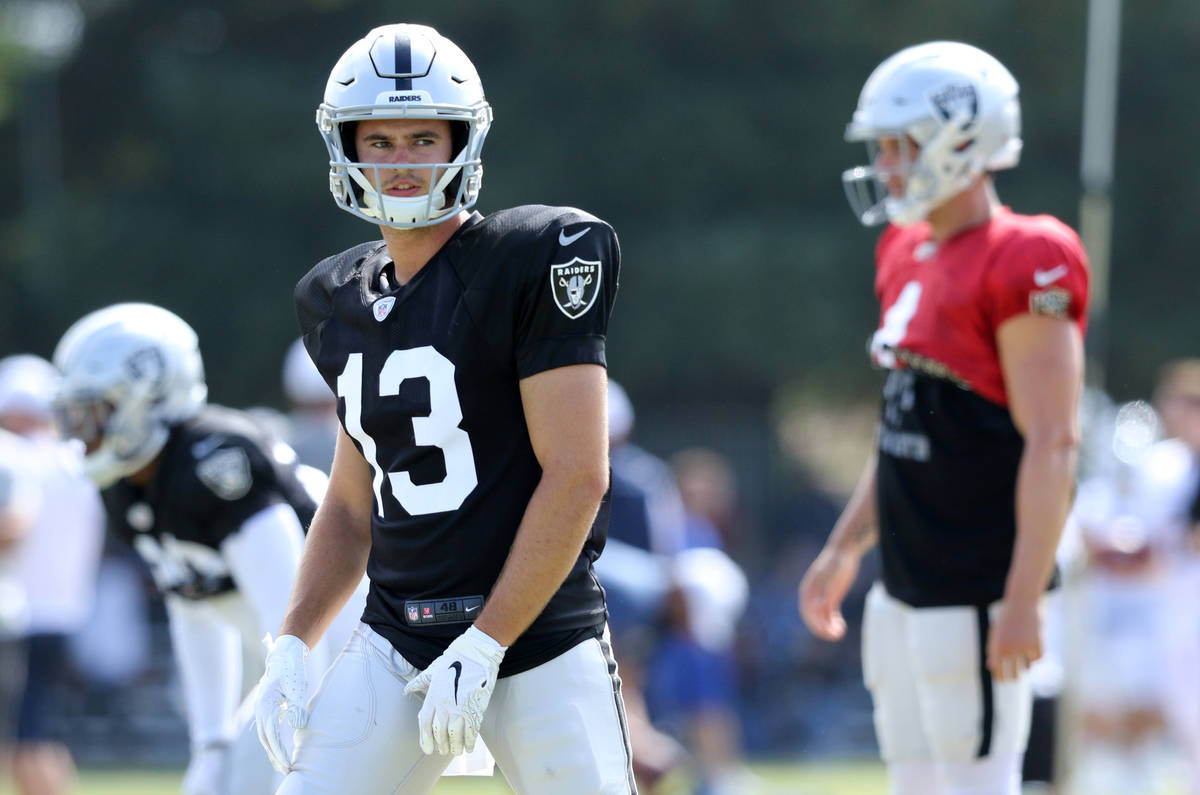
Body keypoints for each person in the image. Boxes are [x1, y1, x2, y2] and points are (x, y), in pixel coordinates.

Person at [250, 22, 633, 795]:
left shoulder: (535, 255)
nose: (400, 161)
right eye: (380, 140)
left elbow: (577, 474)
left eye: (422, 136)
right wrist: (293, 637)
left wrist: (488, 641)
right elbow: (353, 507)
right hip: (398, 637)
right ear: (345, 147)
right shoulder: (333, 298)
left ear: (462, 140)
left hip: (534, 637)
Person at [799, 41, 1089, 795]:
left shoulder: (1027, 254)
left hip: (977, 578)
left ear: (963, 138)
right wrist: (844, 546)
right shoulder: (904, 246)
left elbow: (1054, 440)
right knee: (917, 781)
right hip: (906, 574)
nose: (887, 165)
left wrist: (1023, 597)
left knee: (978, 778)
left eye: (899, 146)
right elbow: (906, 427)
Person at [51, 302, 364, 795]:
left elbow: (293, 610)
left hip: (346, 632)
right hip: (282, 644)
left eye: (98, 410)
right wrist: (210, 741)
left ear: (146, 397)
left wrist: (294, 723)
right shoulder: (127, 484)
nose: (84, 431)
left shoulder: (214, 464)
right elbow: (194, 607)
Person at [0, 355, 105, 795]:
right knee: (36, 735)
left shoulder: (16, 456)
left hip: (20, 617)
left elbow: (16, 523)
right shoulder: (77, 461)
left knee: (26, 740)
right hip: (67, 613)